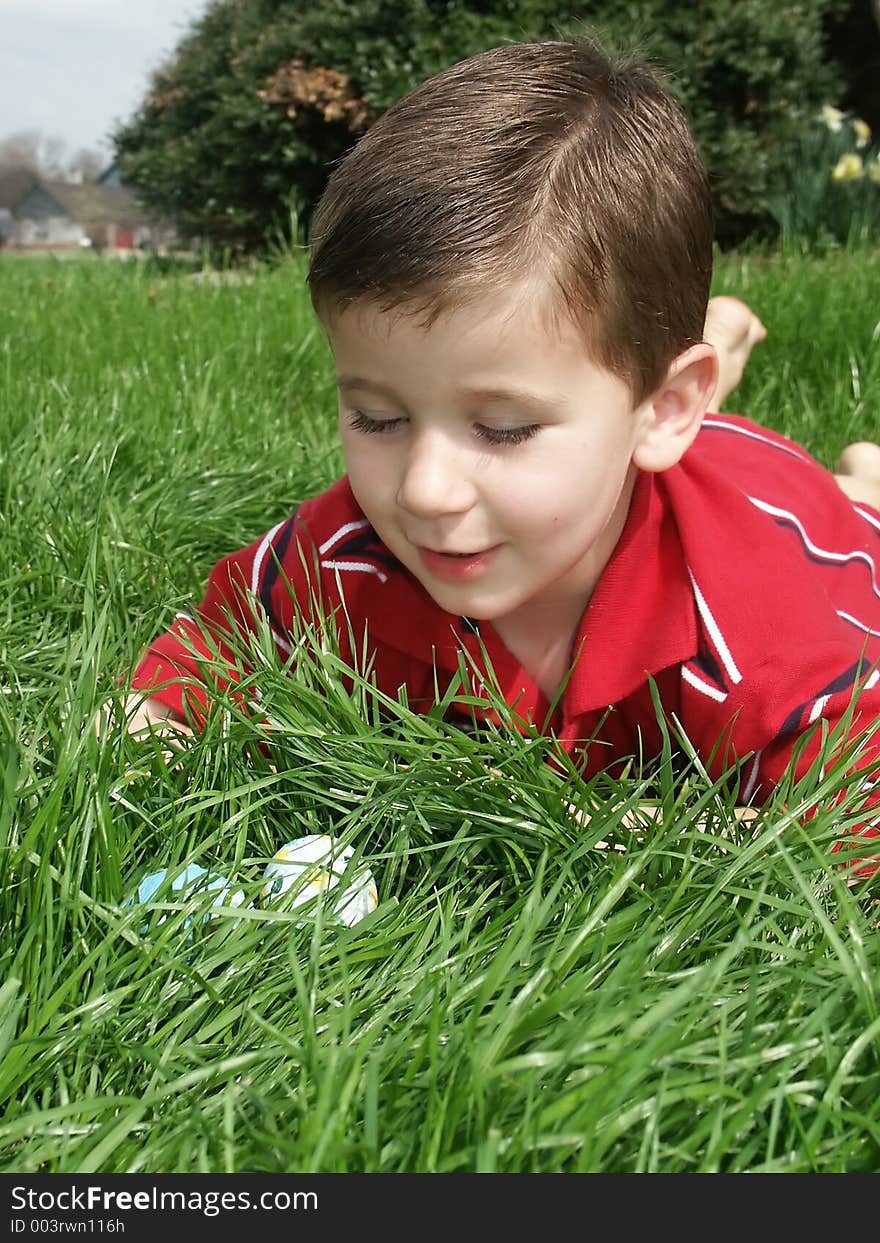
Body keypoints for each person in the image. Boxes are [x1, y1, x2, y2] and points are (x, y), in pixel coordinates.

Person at [118, 40, 880, 872]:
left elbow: (849, 832)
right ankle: (715, 344)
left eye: (505, 429)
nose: (426, 490)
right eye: (378, 416)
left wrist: (645, 838)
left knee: (854, 498)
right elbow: (206, 655)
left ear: (664, 410)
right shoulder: (347, 556)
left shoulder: (757, 632)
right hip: (652, 439)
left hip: (778, 501)